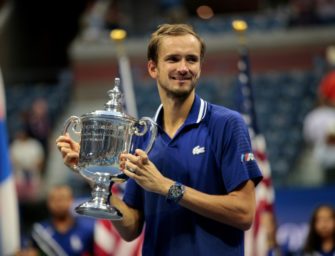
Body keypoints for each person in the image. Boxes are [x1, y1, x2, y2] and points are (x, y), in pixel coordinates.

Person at [56, 23, 263, 255]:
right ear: (153, 68)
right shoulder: (142, 135)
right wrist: (94, 176)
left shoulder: (227, 124)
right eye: (173, 59)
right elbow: (131, 228)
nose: (183, 68)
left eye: (192, 60)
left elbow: (244, 213)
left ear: (200, 67)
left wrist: (168, 188)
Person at [17, 184, 95, 256]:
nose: (59, 204)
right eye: (54, 199)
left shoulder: (87, 230)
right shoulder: (38, 231)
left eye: (63, 199)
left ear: (71, 200)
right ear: (48, 202)